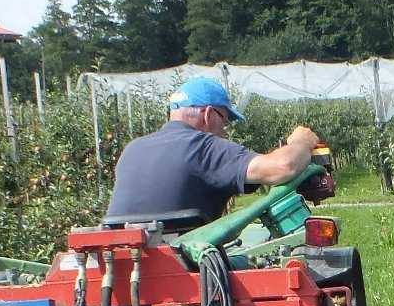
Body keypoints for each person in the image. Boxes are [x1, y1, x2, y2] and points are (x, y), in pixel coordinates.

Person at [104, 76, 326, 227]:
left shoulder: (132, 149)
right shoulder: (203, 147)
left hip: (123, 270)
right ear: (209, 114)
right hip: (185, 274)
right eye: (225, 120)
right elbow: (283, 167)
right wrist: (301, 143)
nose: (225, 130)